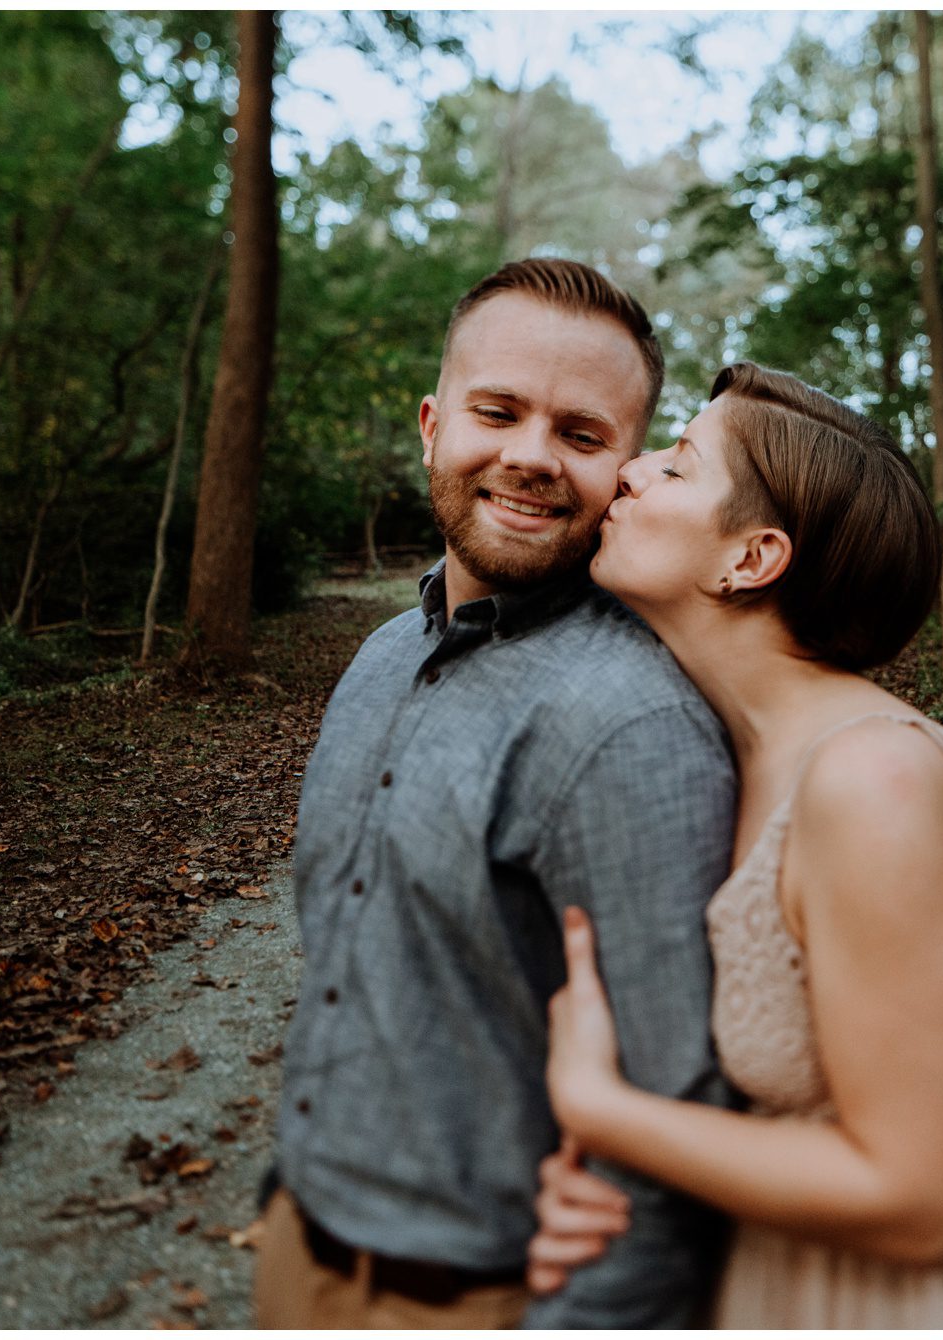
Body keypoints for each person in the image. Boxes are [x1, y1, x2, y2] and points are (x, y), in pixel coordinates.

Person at [528, 363, 943, 1327]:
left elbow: (921, 1198)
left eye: (677, 467)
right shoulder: (722, 751)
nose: (630, 472)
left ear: (750, 560)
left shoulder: (872, 778)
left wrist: (603, 1109)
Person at [252, 259, 739, 1328]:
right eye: (497, 411)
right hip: (298, 1252)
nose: (528, 456)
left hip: (482, 1299)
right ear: (432, 425)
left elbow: (675, 1126)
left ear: (623, 470)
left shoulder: (629, 725)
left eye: (579, 431)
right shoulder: (381, 654)